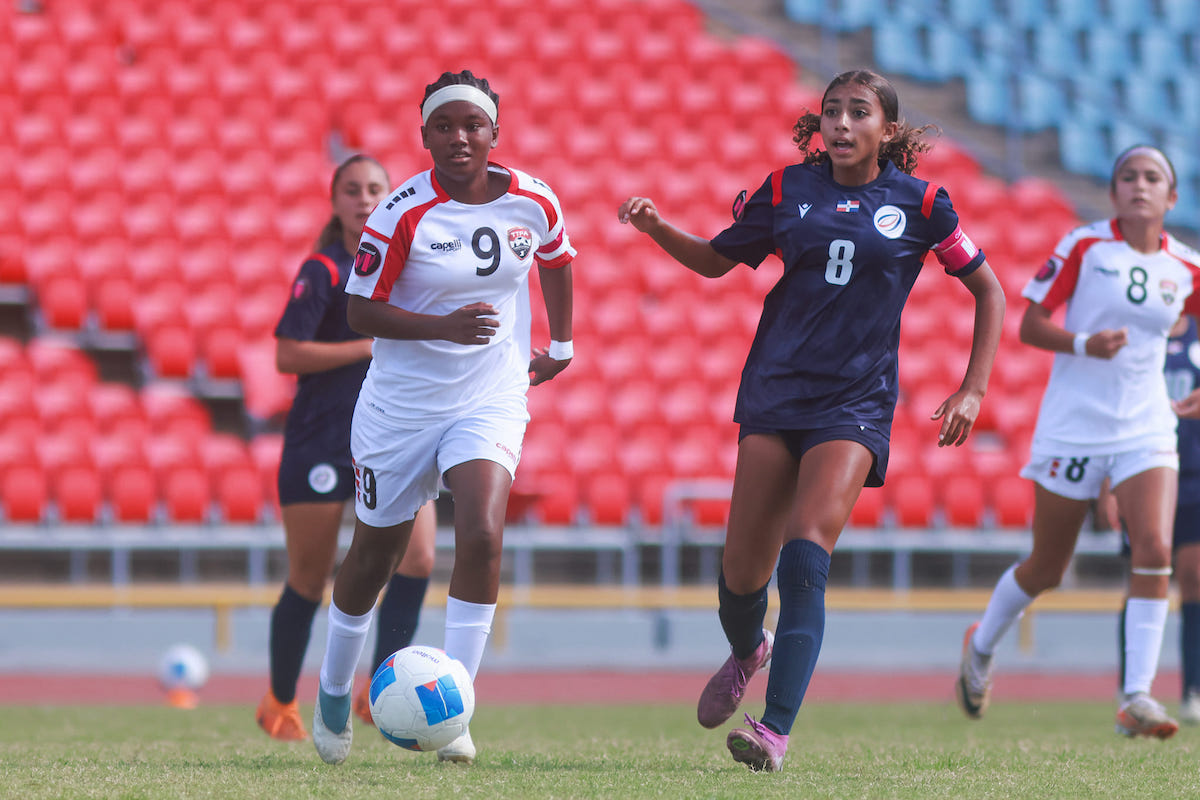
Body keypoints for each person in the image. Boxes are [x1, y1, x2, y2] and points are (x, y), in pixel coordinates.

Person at [618, 69, 1005, 772]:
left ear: (887, 131)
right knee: (740, 579)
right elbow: (715, 262)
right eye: (832, 111)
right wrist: (655, 228)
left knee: (805, 556)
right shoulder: (783, 190)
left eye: (859, 112)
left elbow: (989, 288)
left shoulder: (921, 204)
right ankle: (748, 649)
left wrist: (973, 389)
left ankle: (773, 732)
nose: (842, 123)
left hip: (854, 403)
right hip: (774, 394)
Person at [310, 70, 575, 767]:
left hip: (488, 398)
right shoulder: (400, 212)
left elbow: (557, 258)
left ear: (495, 132)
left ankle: (456, 709)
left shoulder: (534, 199)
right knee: (374, 556)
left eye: (473, 125)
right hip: (400, 410)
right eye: (444, 126)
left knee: (484, 531)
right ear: (424, 135)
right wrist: (442, 327)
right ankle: (335, 688)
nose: (460, 137)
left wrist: (564, 344)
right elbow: (357, 310)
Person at [957, 144, 1200, 740]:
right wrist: (1086, 343)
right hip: (1075, 422)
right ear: (1114, 191)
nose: (1139, 186)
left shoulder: (1187, 267)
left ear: (1171, 198)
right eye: (1127, 176)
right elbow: (1031, 323)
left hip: (1147, 422)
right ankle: (981, 644)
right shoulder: (1085, 246)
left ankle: (1136, 697)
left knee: (1155, 547)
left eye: (1152, 178)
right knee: (1048, 566)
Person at [255, 154, 439, 742]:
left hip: (391, 438)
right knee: (310, 578)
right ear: (335, 202)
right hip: (322, 441)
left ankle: (379, 687)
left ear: (391, 198)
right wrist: (365, 348)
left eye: (375, 190)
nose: (364, 199)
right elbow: (286, 354)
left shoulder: (408, 266)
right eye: (353, 190)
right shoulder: (324, 268)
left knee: (418, 559)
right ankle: (280, 700)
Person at [1114, 314, 1200, 724]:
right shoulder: (1139, 334)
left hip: (1194, 477)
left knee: (1195, 577)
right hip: (1143, 469)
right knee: (1143, 575)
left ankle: (1194, 691)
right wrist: (1107, 485)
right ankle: (1132, 691)